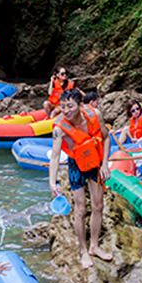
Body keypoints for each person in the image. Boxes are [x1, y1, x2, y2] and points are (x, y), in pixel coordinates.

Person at [48, 89, 113, 269]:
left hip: (95, 161)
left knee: (98, 205)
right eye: (63, 107)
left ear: (81, 105)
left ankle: (94, 246)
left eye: (70, 106)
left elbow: (106, 138)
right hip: (76, 164)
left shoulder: (95, 114)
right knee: (80, 208)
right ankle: (83, 250)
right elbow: (54, 157)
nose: (66, 110)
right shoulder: (59, 129)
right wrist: (52, 183)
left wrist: (105, 164)